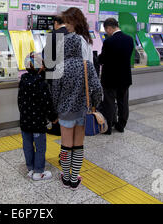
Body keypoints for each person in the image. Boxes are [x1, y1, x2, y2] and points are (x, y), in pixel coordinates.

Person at [51, 30, 102, 190]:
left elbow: (54, 93)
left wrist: (54, 111)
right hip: (82, 112)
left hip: (65, 113)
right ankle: (74, 179)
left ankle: (65, 178)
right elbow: (98, 89)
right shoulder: (88, 65)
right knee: (78, 146)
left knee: (65, 146)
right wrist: (95, 104)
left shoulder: (59, 67)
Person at [18, 52, 57, 181]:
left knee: (27, 145)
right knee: (40, 147)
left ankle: (30, 168)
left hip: (25, 122)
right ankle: (38, 171)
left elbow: (19, 101)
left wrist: (23, 115)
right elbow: (47, 103)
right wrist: (53, 117)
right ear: (41, 67)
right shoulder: (41, 83)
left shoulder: (22, 81)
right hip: (38, 122)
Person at [98, 18, 134, 135]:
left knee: (109, 102)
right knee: (123, 102)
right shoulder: (129, 39)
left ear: (109, 28)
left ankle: (108, 127)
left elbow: (102, 59)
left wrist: (97, 58)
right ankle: (121, 125)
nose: (106, 32)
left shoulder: (109, 41)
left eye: (106, 30)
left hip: (110, 78)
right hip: (124, 78)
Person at [44, 16, 67, 136]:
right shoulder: (71, 34)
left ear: (56, 23)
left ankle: (56, 127)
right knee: (64, 100)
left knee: (54, 100)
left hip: (54, 72)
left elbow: (47, 56)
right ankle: (66, 126)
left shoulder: (53, 35)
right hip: (68, 73)